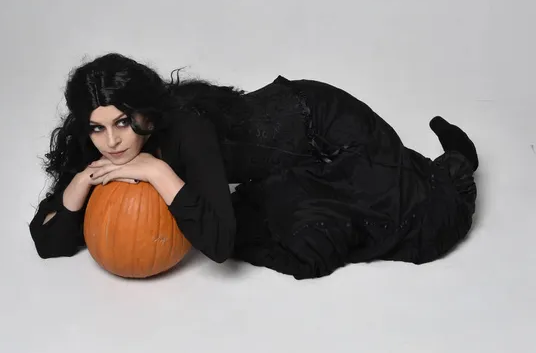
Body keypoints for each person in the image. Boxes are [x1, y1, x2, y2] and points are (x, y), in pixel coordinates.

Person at [28, 52, 479, 280]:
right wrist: (78, 187)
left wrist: (159, 173)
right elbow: (49, 243)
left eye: (123, 123)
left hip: (324, 123)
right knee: (312, 212)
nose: (112, 142)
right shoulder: (103, 146)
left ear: (143, 113)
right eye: (97, 128)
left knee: (421, 214)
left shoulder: (187, 129)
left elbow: (219, 245)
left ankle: (458, 162)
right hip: (297, 157)